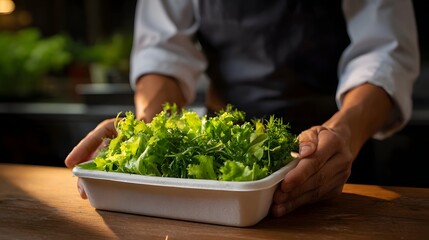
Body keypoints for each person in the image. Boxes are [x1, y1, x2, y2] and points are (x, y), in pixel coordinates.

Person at [65, 0, 420, 217]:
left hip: (335, 148)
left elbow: (386, 51)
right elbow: (164, 50)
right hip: (222, 165)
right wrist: (144, 130)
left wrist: (343, 131)